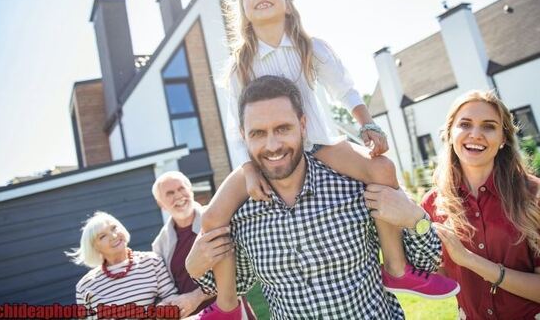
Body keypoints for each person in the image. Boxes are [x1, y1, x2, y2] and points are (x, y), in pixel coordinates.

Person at [199, 0, 457, 317]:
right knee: (213, 216)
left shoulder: (311, 47)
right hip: (262, 159)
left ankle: (397, 268)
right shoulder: (238, 66)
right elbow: (237, 129)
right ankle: (228, 306)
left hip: (319, 144)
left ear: (288, 3)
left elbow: (345, 89)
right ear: (241, 10)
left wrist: (368, 125)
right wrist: (247, 170)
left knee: (382, 168)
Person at [189, 75, 455, 319]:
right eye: (258, 133)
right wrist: (194, 266)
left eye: (282, 128)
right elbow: (238, 284)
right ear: (243, 137)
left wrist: (416, 219)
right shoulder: (241, 214)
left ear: (303, 125)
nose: (272, 146)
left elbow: (427, 260)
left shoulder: (356, 185)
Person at [421, 90, 540, 319]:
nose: (475, 134)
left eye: (488, 126)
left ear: (503, 138)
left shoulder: (534, 194)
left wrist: (469, 260)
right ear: (450, 133)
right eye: (465, 124)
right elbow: (443, 279)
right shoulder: (433, 204)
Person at [151, 171, 256, 319]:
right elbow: (165, 288)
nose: (178, 196)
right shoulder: (160, 244)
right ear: (161, 204)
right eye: (169, 193)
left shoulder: (219, 219)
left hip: (230, 311)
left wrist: (196, 297)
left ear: (191, 190)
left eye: (181, 188)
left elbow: (238, 272)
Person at [67, 211, 179, 319]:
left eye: (114, 228)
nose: (113, 236)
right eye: (102, 236)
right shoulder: (85, 286)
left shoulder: (152, 262)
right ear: (94, 248)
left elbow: (172, 298)